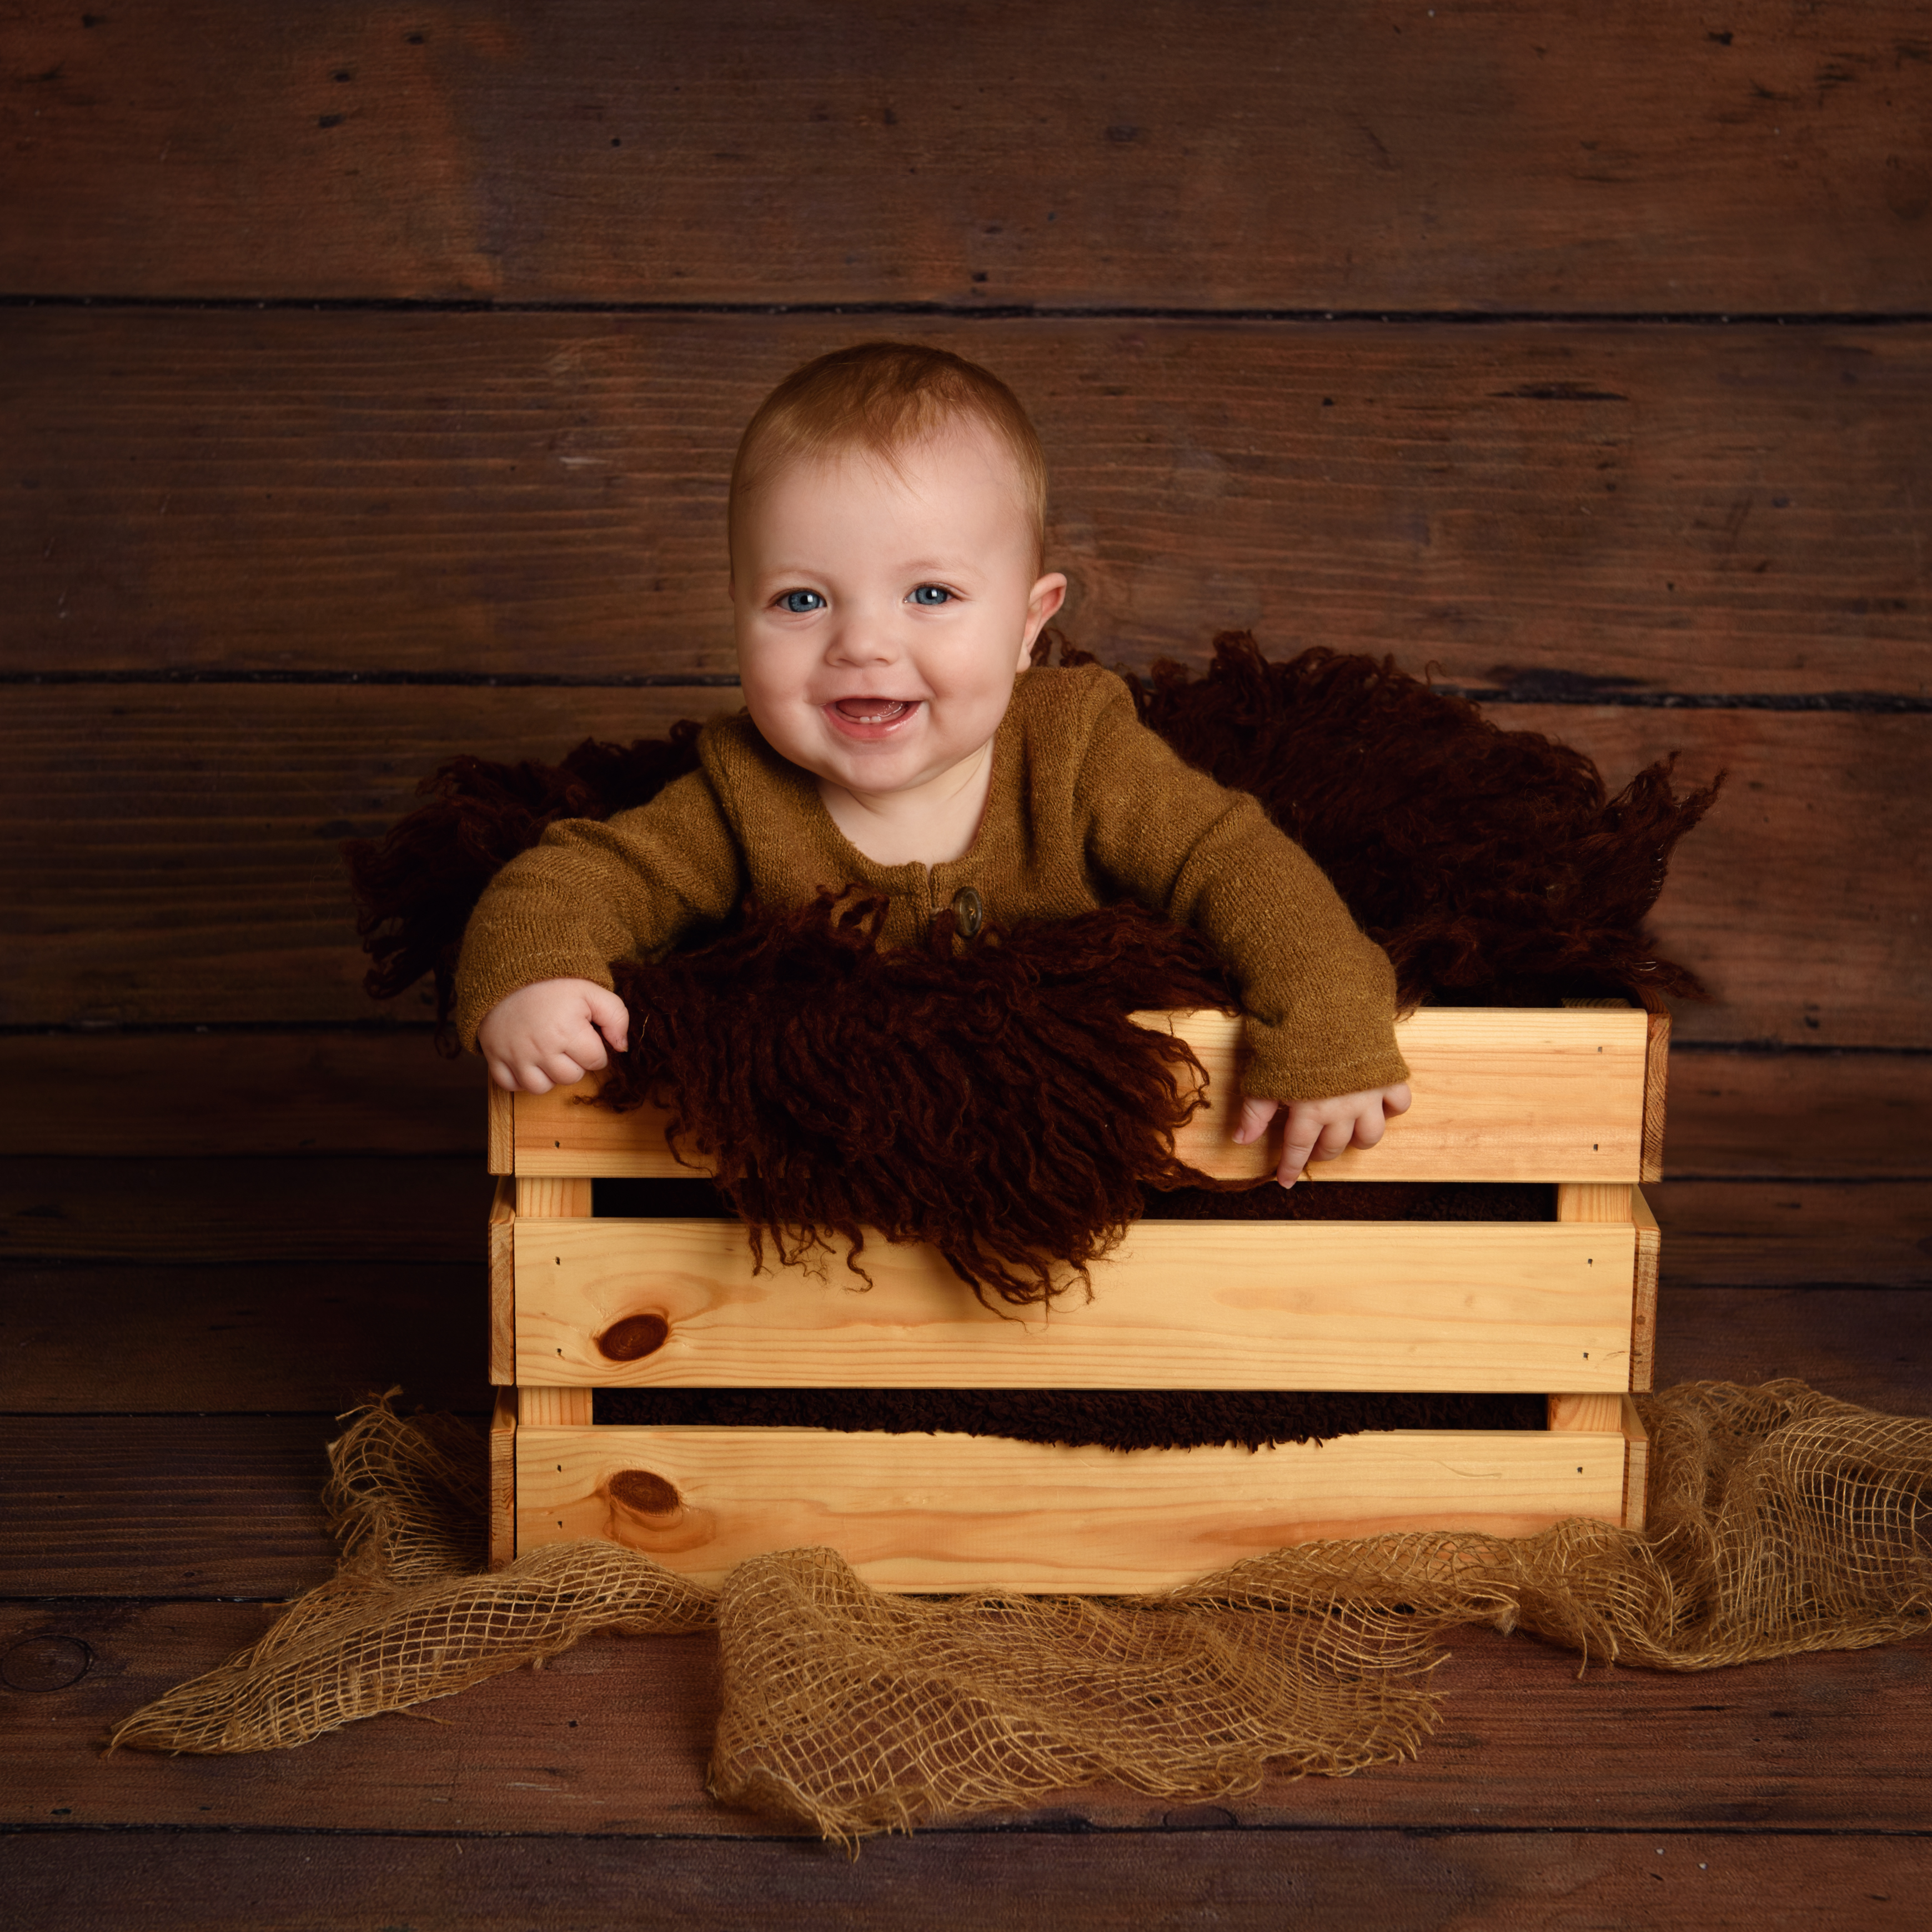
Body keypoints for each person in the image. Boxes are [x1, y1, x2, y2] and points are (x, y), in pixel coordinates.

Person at [457, 342, 1410, 1186]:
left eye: (929, 592)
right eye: (799, 602)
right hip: (833, 1198)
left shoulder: (1077, 745)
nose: (864, 644)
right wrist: (531, 974)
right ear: (736, 613)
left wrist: (1326, 1015)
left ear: (1030, 623)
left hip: (1101, 1176)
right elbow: (582, 874)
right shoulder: (743, 789)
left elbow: (1232, 863)